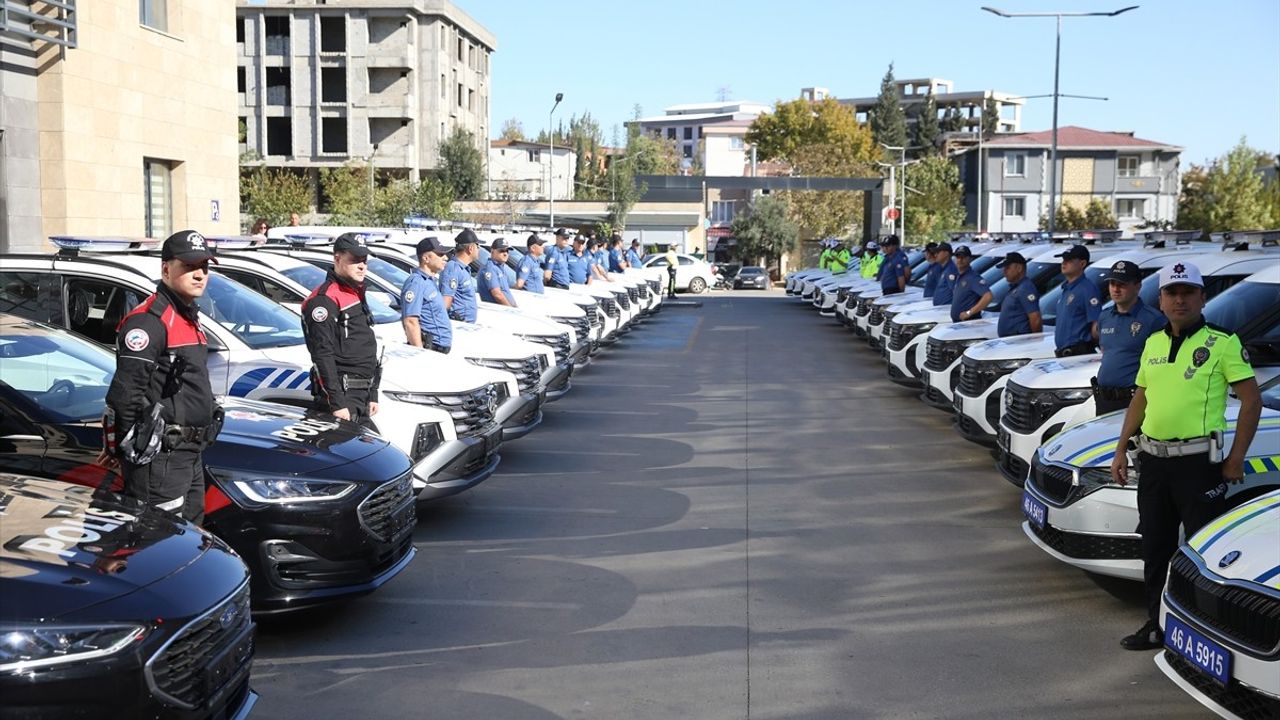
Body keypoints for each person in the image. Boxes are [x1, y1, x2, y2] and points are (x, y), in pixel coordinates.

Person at [1109, 260, 1261, 651]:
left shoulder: (1223, 342)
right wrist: (1121, 448)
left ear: (1201, 297)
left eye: (1187, 292)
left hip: (1199, 465)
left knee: (1202, 551)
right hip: (1155, 462)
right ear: (1159, 300)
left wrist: (1236, 457)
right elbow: (1141, 397)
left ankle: (1204, 635)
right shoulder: (1153, 343)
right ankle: (1157, 625)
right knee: (1155, 548)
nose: (1180, 300)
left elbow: (1251, 401)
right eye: (1172, 293)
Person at [103, 230, 220, 524]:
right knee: (158, 543)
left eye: (204, 267)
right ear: (166, 269)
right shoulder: (149, 322)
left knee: (191, 540)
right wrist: (122, 451)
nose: (199, 275)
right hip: (161, 459)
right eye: (190, 266)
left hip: (189, 454)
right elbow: (125, 395)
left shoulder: (188, 317)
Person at [301, 232, 380, 428]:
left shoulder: (354, 292)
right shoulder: (324, 299)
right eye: (355, 260)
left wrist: (372, 393)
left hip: (361, 395)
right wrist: (337, 403)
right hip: (343, 398)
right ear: (337, 259)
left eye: (365, 260)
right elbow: (322, 354)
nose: (362, 266)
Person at [1092, 260, 1166, 415]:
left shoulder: (1154, 320)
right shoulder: (1105, 316)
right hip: (1104, 400)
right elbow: (1107, 351)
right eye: (1112, 284)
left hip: (1132, 400)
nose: (1116, 289)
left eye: (1122, 284)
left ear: (1138, 286)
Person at [399, 236, 453, 353]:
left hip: (438, 348)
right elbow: (410, 322)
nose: (445, 257)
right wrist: (420, 354)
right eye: (440, 254)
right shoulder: (416, 283)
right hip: (430, 349)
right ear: (426, 258)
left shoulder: (429, 281)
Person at [1053, 244, 1102, 357]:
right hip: (1063, 353)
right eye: (1064, 259)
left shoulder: (1087, 289)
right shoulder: (1066, 289)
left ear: (1082, 263)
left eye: (1069, 260)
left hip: (1078, 353)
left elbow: (1096, 325)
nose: (1064, 263)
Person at [995, 252, 1041, 337]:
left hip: (1019, 341)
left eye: (1007, 268)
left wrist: (1035, 341)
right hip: (1012, 341)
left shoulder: (1026, 288)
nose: (1004, 272)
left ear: (1019, 268)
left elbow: (1035, 318)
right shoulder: (1017, 287)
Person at [442, 229, 480, 322]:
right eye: (478, 246)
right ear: (470, 248)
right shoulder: (453, 268)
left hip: (467, 325)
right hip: (459, 324)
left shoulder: (462, 269)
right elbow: (446, 301)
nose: (479, 249)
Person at [949, 245, 992, 322]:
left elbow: (988, 296)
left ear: (970, 259)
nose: (960, 259)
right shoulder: (959, 276)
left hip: (969, 323)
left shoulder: (973, 278)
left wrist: (969, 312)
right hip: (959, 324)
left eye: (964, 257)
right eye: (958, 257)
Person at [477, 238, 517, 307]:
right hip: (498, 311)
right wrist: (511, 309)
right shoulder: (490, 269)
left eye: (507, 251)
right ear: (492, 251)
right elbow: (497, 294)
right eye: (502, 251)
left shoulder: (500, 268)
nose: (505, 254)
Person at [931, 242, 957, 307]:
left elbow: (956, 292)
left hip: (947, 309)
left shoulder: (951, 270)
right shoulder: (945, 269)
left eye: (938, 252)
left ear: (946, 253)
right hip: (941, 309)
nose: (935, 255)